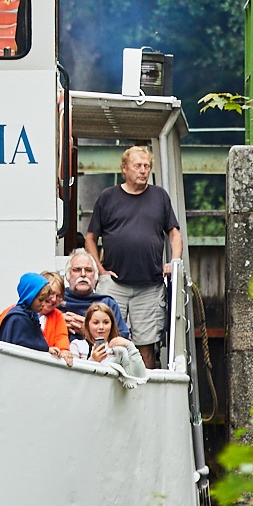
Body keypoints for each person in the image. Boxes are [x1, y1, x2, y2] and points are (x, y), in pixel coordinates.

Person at [85, 144, 182, 369]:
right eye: (138, 165)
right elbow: (91, 238)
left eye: (147, 166)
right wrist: (100, 270)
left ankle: (144, 390)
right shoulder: (107, 197)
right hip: (114, 283)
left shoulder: (159, 196)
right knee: (105, 337)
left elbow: (174, 234)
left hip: (149, 285)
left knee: (145, 344)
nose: (143, 170)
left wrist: (174, 262)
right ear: (125, 169)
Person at [57, 249, 132, 343]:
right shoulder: (56, 300)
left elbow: (122, 339)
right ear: (67, 276)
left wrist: (90, 331)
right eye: (77, 270)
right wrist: (56, 322)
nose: (83, 274)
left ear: (96, 277)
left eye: (88, 270)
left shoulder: (107, 303)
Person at [72, 299, 147, 383]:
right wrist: (93, 361)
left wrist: (130, 346)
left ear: (112, 324)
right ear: (87, 324)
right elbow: (75, 381)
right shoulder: (77, 345)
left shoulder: (119, 350)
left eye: (106, 322)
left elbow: (139, 377)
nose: (101, 327)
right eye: (96, 323)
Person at [0, 272, 67, 359]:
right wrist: (45, 349)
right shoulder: (18, 317)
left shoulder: (31, 316)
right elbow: (26, 343)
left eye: (59, 296)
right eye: (41, 300)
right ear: (30, 296)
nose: (44, 304)